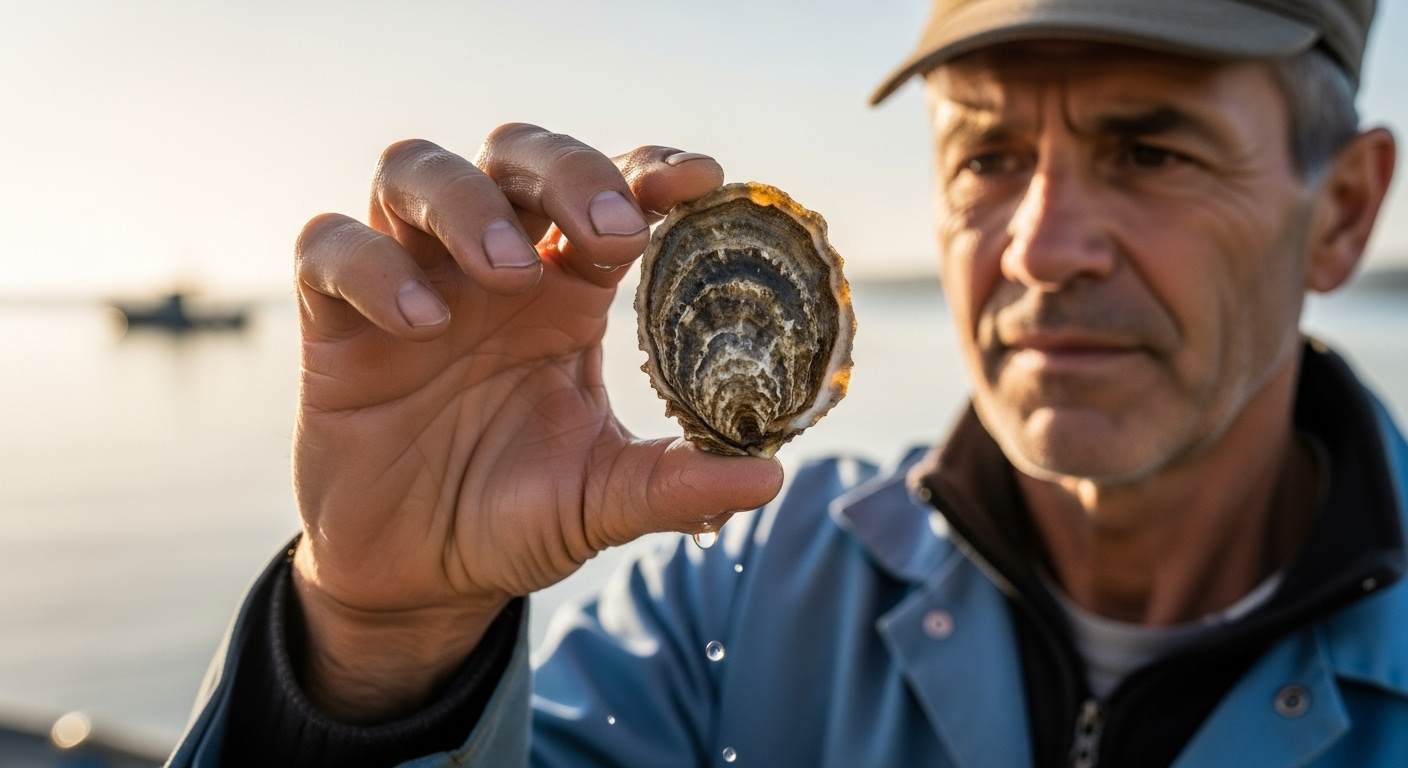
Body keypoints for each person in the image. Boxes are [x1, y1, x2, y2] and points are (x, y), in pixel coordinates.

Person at [167, 0, 1406, 765]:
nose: (1038, 244)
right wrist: (378, 649)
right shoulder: (730, 607)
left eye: (1149, 149)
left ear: (1341, 212)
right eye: (986, 153)